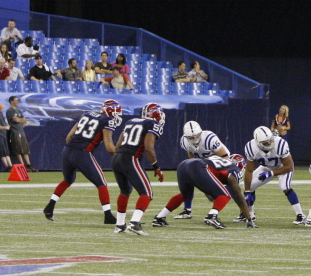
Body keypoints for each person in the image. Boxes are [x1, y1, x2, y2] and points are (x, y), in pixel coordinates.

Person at [44, 100, 122, 223]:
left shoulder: (87, 114)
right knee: (101, 183)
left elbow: (69, 137)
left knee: (68, 180)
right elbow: (109, 147)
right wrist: (119, 158)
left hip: (67, 150)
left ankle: (50, 206)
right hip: (82, 153)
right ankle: (108, 216)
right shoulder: (108, 121)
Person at [154, 154, 255, 230]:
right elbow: (237, 194)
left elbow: (208, 180)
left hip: (184, 164)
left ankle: (159, 218)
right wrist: (248, 218)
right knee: (225, 195)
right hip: (198, 166)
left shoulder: (222, 163)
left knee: (185, 195)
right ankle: (212, 216)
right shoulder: (234, 169)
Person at [111, 102, 166, 234]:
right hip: (130, 158)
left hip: (117, 157)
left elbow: (118, 144)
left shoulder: (131, 121)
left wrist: (119, 157)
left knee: (125, 191)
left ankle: (119, 225)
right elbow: (148, 147)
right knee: (147, 193)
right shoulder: (153, 124)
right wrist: (156, 167)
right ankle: (135, 223)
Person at [241, 126, 303, 224]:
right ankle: (250, 215)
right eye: (266, 142)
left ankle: (301, 216)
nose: (269, 143)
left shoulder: (280, 143)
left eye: (270, 140)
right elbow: (249, 170)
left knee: (284, 186)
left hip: (282, 167)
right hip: (266, 167)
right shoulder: (251, 147)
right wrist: (247, 191)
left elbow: (289, 167)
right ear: (258, 142)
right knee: (249, 186)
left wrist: (271, 173)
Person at [170, 120, 230, 220]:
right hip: (202, 165)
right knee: (189, 180)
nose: (194, 139)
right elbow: (191, 158)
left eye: (196, 136)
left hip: (220, 164)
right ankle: (187, 210)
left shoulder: (210, 139)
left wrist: (210, 179)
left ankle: (215, 213)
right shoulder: (184, 142)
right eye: (191, 137)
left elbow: (225, 157)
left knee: (225, 188)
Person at [6, 96, 35, 171]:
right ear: (11, 101)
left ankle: (28, 165)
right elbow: (15, 119)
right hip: (15, 131)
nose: (17, 101)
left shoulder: (18, 111)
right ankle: (22, 166)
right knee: (18, 149)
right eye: (16, 100)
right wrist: (20, 120)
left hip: (21, 131)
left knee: (25, 149)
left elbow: (24, 121)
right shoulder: (9, 111)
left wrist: (19, 120)